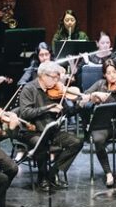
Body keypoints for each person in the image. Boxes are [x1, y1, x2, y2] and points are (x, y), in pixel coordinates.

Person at [16, 61, 85, 191]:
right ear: (43, 76)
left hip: (51, 130)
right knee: (42, 143)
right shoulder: (29, 89)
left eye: (57, 77)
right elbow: (25, 113)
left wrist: (79, 105)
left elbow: (66, 112)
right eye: (54, 77)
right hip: (32, 131)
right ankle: (42, 179)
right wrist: (47, 108)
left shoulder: (56, 90)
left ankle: (52, 174)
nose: (57, 80)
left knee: (76, 142)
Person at [82, 59, 116, 187]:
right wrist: (94, 95)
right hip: (103, 123)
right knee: (98, 140)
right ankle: (108, 173)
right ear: (104, 75)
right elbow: (83, 97)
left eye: (114, 72)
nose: (112, 75)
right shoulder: (100, 84)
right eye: (108, 73)